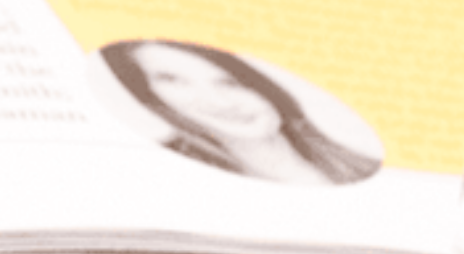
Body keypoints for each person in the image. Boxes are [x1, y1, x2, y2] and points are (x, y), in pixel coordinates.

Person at [99, 39, 379, 185]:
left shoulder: (361, 166)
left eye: (230, 83)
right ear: (149, 93)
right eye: (172, 80)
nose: (219, 102)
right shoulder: (162, 173)